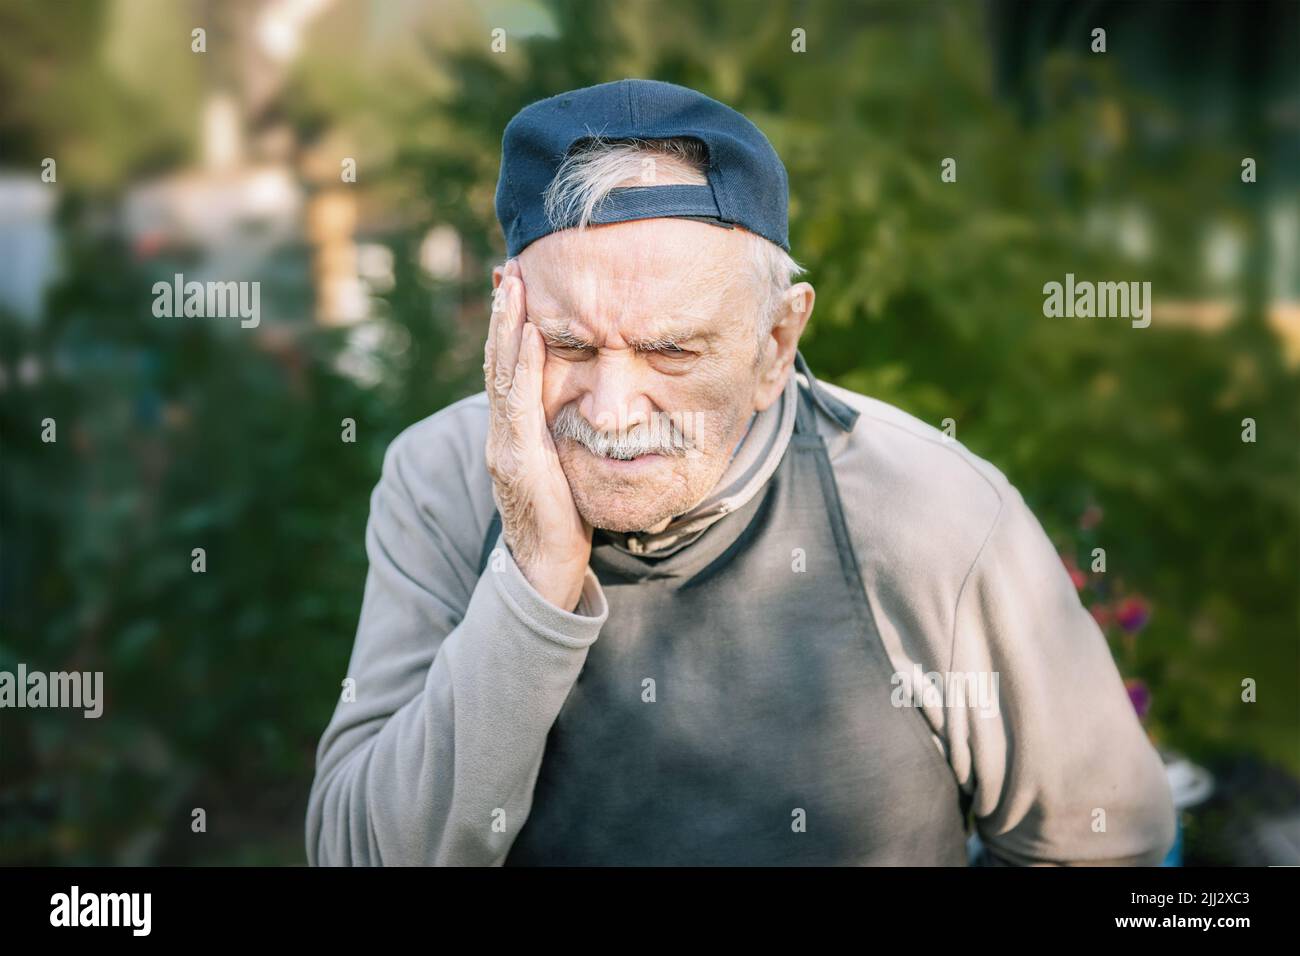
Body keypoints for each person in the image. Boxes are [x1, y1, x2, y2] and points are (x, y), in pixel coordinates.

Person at [305, 78, 1176, 866]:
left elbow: (1107, 847)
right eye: (568, 344)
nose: (610, 411)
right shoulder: (439, 479)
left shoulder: (932, 511)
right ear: (505, 315)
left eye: (671, 350)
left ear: (775, 342)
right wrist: (534, 576)